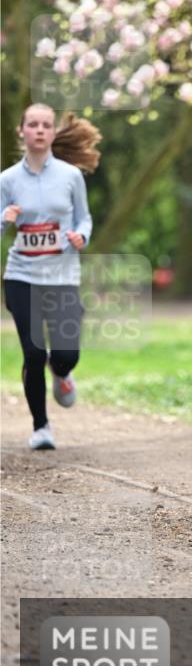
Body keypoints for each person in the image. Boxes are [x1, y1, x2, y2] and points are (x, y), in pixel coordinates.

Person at [1, 104, 100, 451]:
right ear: (22, 131)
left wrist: (80, 237)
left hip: (62, 276)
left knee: (65, 353)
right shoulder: (7, 180)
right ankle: (41, 426)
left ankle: (61, 371)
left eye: (45, 125)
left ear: (53, 133)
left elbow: (84, 219)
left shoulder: (70, 176)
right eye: (33, 125)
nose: (39, 130)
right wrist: (5, 218)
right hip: (21, 275)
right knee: (32, 352)